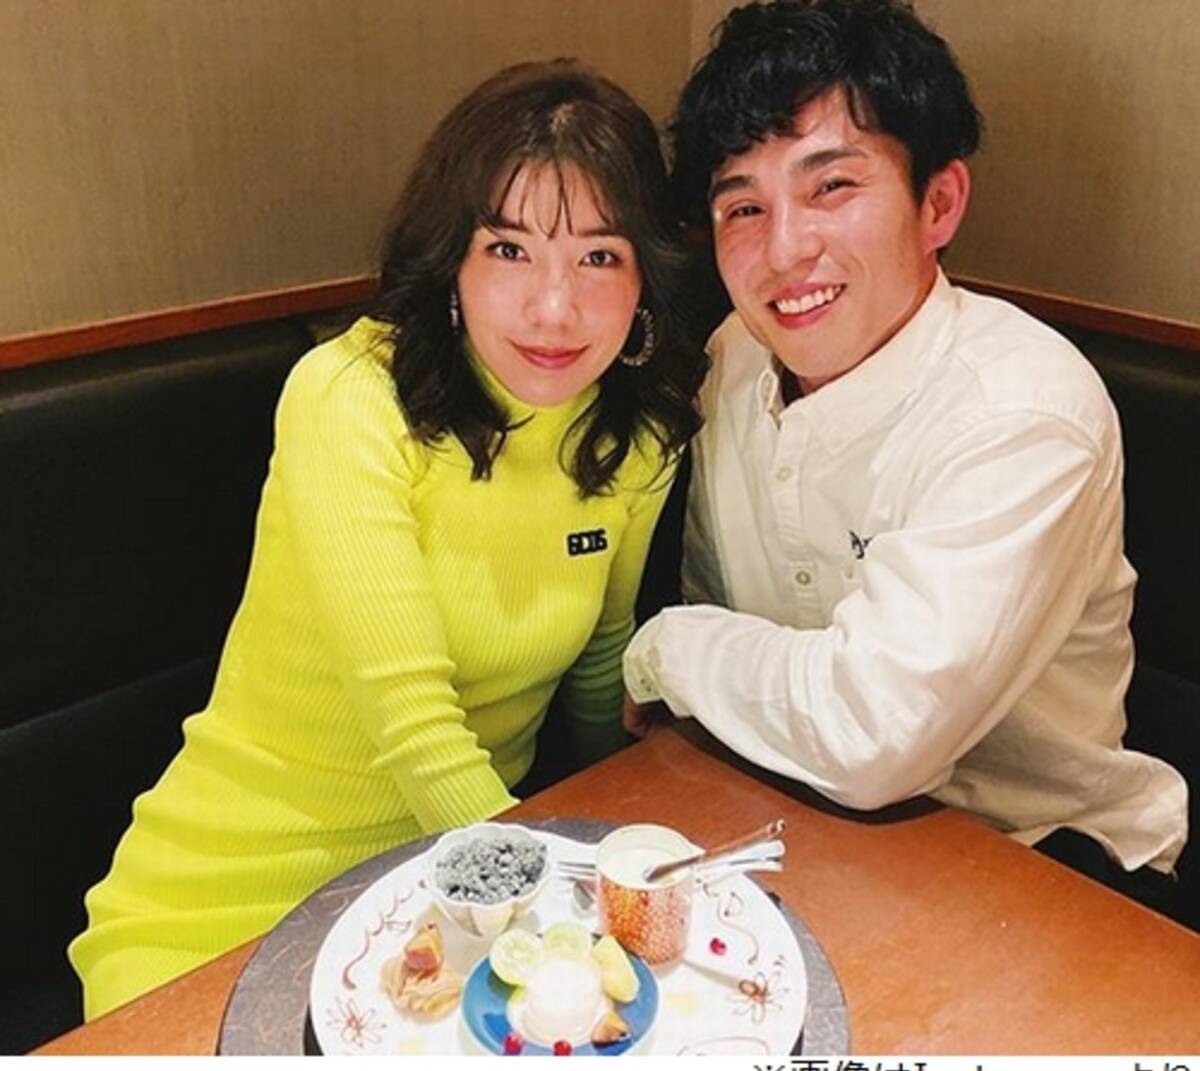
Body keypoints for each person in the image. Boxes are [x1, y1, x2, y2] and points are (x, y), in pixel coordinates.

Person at [70, 60, 700, 1019]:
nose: (554, 307)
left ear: (646, 275)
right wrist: (561, 910)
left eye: (599, 257)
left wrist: (611, 847)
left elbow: (595, 671)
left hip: (451, 897)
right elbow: (415, 724)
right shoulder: (351, 397)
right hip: (232, 901)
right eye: (509, 249)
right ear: (453, 263)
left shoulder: (636, 439)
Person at [623, 0, 1187, 902]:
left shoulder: (1020, 409)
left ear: (939, 204)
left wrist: (663, 652)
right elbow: (717, 594)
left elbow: (873, 735)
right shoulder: (735, 357)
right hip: (794, 814)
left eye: (831, 188)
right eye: (744, 206)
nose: (784, 250)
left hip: (1040, 856)